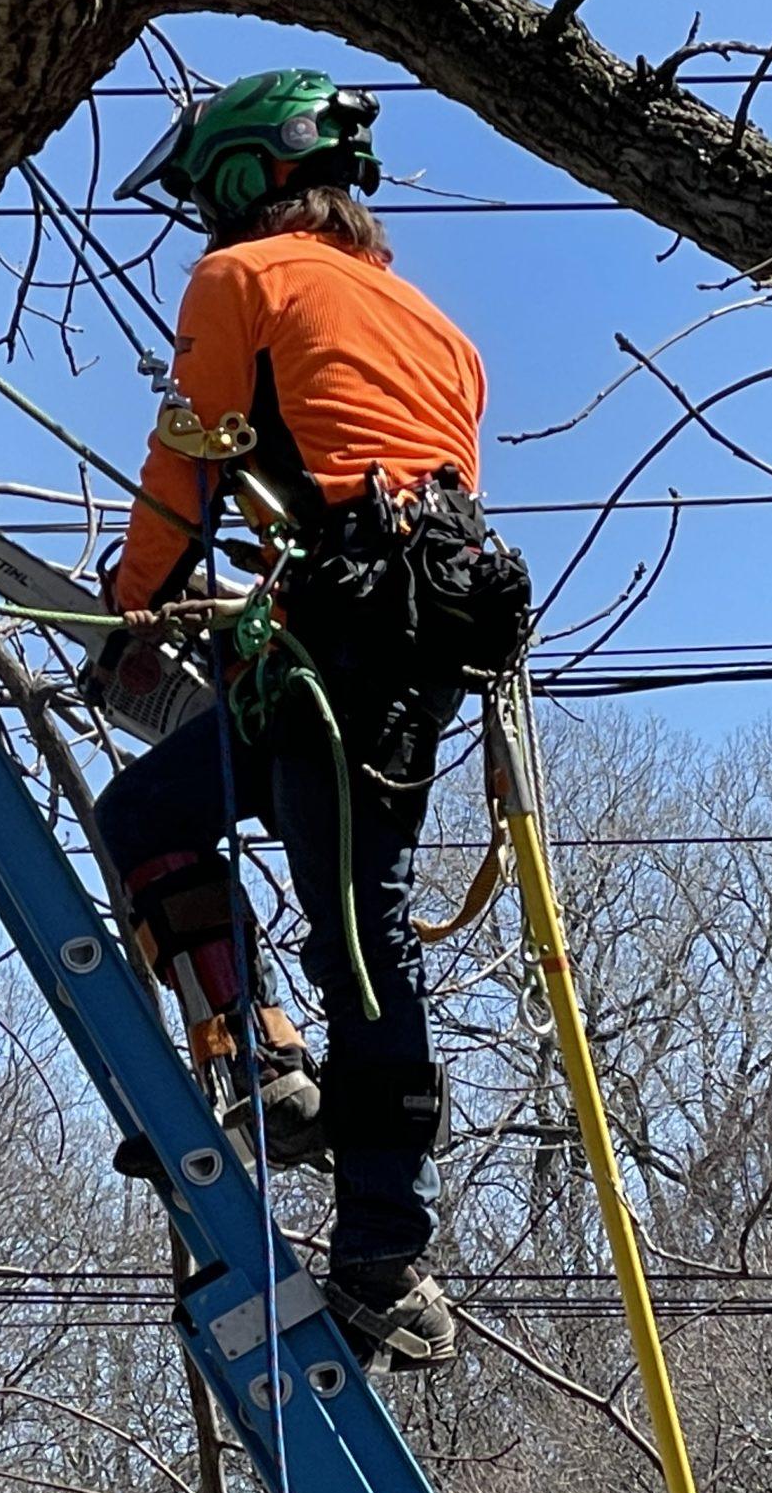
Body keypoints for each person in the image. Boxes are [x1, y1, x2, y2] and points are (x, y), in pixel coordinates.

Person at [92, 68, 520, 1369]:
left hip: (352, 634)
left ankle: (387, 1252)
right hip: (408, 626)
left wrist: (136, 615)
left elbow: (191, 463)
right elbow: (368, 481)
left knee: (355, 928)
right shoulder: (436, 326)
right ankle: (261, 1056)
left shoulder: (243, 281)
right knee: (161, 819)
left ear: (240, 175)